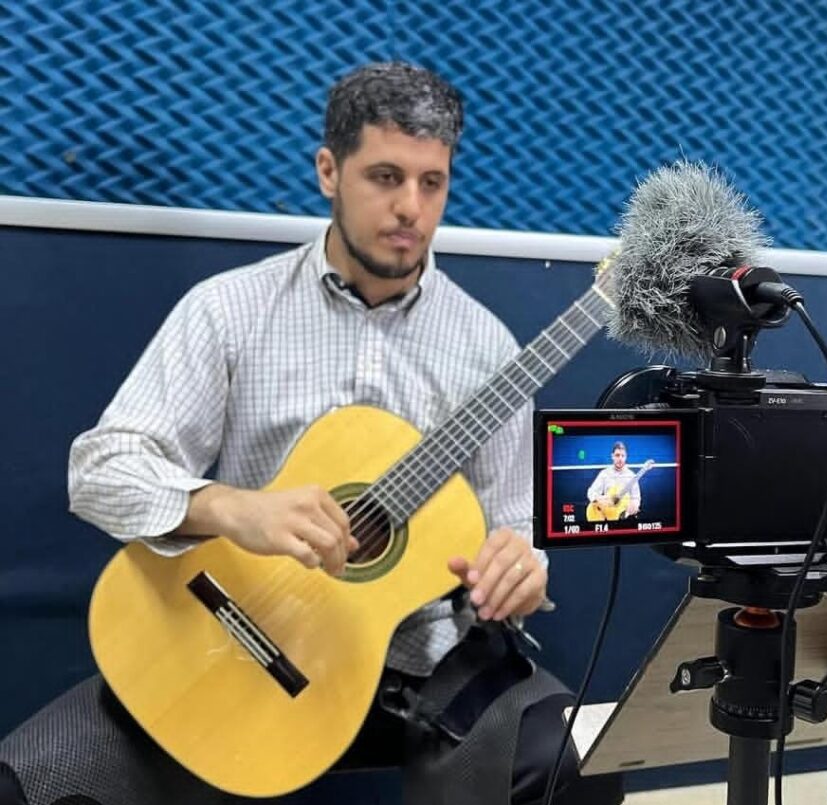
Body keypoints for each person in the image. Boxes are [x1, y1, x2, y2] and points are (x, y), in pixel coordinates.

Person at [0, 62, 623, 805]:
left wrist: (522, 566)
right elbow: (100, 469)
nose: (411, 207)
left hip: (427, 666)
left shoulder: (488, 347)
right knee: (28, 785)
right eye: (385, 177)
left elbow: (514, 522)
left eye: (432, 182)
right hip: (233, 642)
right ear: (329, 170)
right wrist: (233, 508)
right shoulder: (229, 311)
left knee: (577, 766)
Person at [586, 442, 641, 521]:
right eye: (617, 455)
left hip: (624, 517)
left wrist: (634, 505)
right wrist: (599, 498)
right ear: (612, 456)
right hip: (607, 517)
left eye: (623, 456)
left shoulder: (632, 476)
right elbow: (591, 492)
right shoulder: (605, 473)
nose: (620, 459)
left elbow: (636, 498)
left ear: (626, 457)